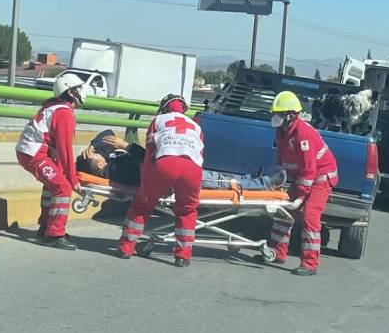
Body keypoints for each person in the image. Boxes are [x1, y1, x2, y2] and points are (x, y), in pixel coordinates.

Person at [116, 94, 204, 267]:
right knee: (187, 211)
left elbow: (150, 151)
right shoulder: (196, 126)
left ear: (164, 107)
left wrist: (148, 182)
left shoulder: (158, 121)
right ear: (184, 109)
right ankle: (183, 256)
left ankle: (126, 248)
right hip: (193, 168)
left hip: (165, 163)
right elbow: (200, 153)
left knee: (142, 206)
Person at [256, 91, 338, 276]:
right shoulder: (282, 132)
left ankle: (310, 264)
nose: (273, 117)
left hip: (321, 177)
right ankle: (276, 253)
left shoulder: (304, 134)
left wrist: (300, 195)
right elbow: (281, 159)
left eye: (277, 113)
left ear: (290, 114)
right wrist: (278, 181)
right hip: (304, 176)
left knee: (310, 217)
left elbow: (309, 169)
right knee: (283, 211)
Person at [76, 129, 286, 190]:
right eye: (96, 155)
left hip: (170, 171)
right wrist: (127, 146)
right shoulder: (116, 171)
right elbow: (148, 160)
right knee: (218, 181)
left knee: (217, 177)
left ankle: (252, 179)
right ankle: (262, 184)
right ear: (99, 165)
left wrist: (93, 145)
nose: (99, 152)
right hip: (169, 179)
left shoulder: (110, 161)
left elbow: (107, 132)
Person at [15, 73, 85, 250]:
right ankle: (54, 234)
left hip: (31, 151)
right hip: (35, 153)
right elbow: (65, 149)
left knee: (52, 187)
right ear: (70, 92)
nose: (82, 91)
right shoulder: (63, 113)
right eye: (78, 88)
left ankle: (46, 226)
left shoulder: (54, 107)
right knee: (63, 187)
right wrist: (73, 178)